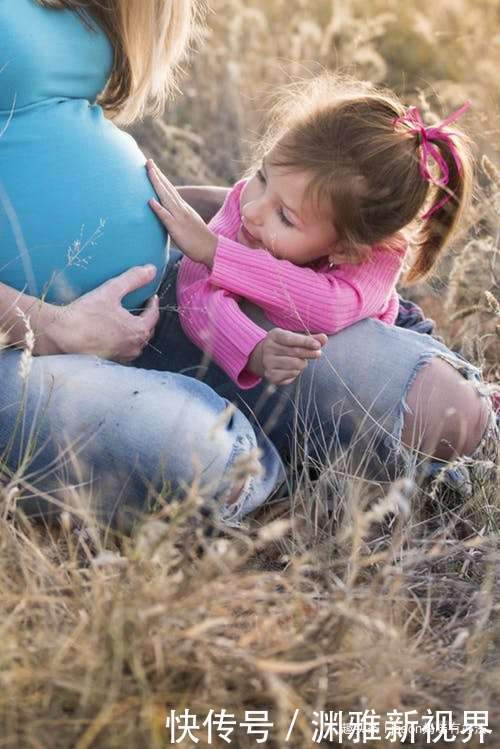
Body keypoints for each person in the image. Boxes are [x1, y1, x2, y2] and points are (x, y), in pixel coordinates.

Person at [0, 0, 283, 530]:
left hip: (150, 304)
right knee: (200, 466)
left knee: (408, 396)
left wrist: (225, 224)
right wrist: (55, 328)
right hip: (20, 346)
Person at [145, 76, 473, 392]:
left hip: (393, 331)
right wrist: (252, 348)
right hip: (314, 358)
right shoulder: (247, 208)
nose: (253, 210)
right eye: (262, 176)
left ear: (347, 250)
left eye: (285, 217)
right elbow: (194, 292)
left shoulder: (378, 254)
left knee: (464, 403)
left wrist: (216, 253)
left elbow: (329, 307)